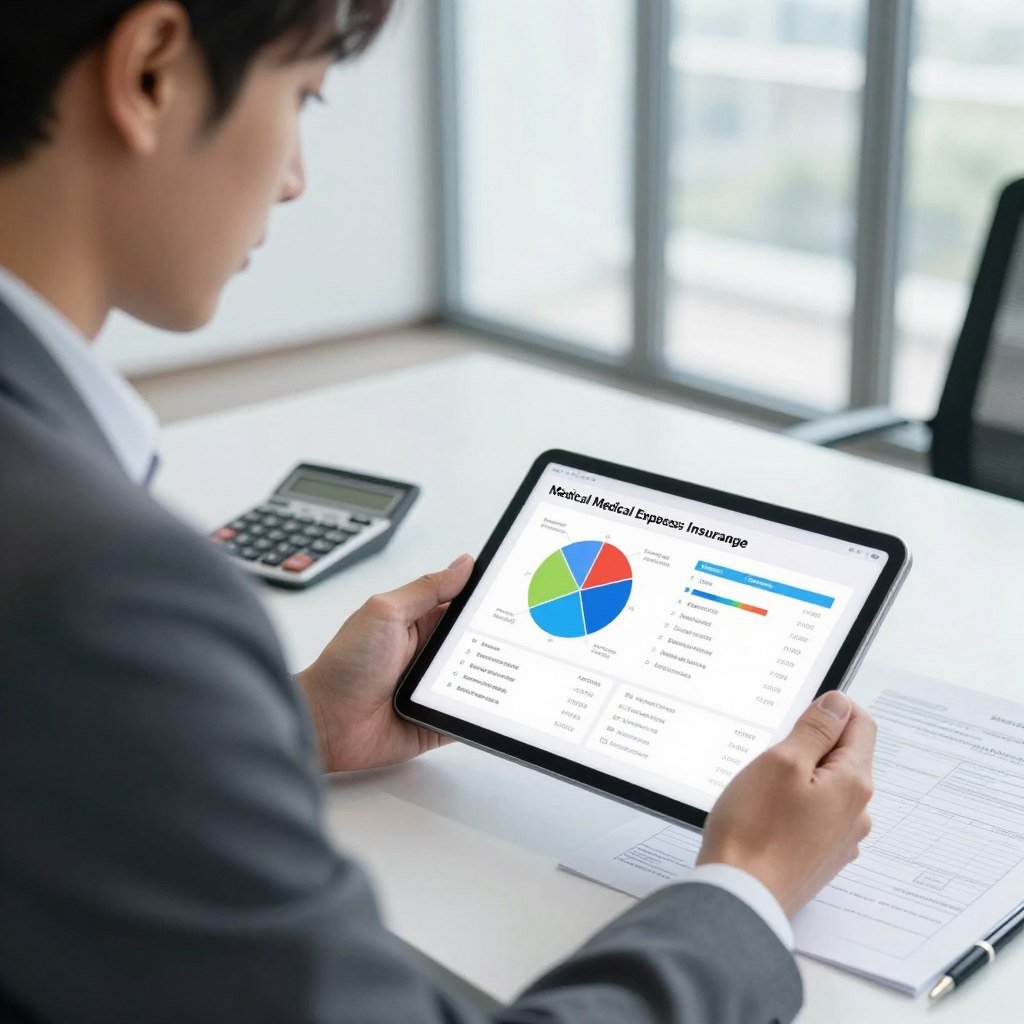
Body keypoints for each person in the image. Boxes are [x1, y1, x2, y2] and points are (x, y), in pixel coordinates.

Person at [0, 2, 876, 1021]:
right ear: (151, 71)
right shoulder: (100, 582)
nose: (293, 178)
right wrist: (747, 884)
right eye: (303, 97)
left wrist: (288, 724)